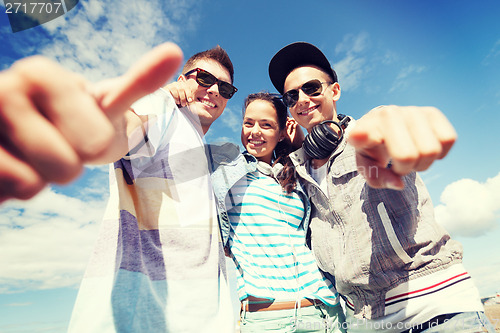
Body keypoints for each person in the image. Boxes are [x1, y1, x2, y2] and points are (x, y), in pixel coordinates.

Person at [0, 43, 237, 332]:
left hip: (203, 317)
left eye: (225, 89)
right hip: (147, 317)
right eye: (204, 78)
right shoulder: (164, 107)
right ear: (181, 81)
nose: (214, 90)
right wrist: (92, 128)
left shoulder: (204, 150)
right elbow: (127, 130)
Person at [268, 41, 495, 332]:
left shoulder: (366, 136)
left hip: (436, 311)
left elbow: (387, 125)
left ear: (334, 91)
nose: (301, 99)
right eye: (291, 96)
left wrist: (397, 124)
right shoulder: (299, 171)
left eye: (311, 88)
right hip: (365, 322)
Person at [211, 92, 346, 332]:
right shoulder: (225, 170)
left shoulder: (291, 175)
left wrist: (299, 146)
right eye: (249, 123)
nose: (255, 132)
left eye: (267, 125)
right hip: (268, 318)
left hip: (325, 311)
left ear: (282, 131)